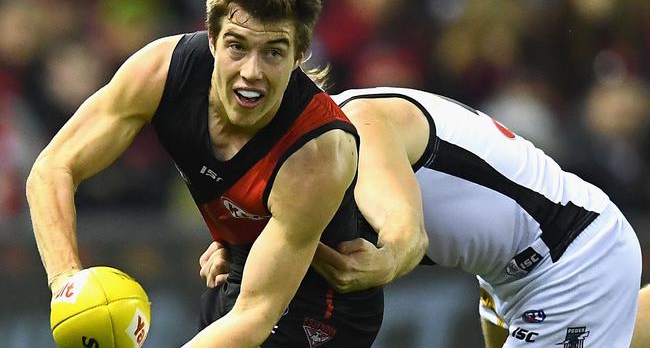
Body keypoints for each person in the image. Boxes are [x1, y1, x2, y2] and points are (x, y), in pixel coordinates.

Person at [26, 0, 408, 347]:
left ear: (300, 53)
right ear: (211, 39)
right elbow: (53, 168)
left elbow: (254, 317)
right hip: (239, 276)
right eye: (236, 47)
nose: (251, 72)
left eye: (273, 52)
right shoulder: (160, 72)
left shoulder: (317, 154)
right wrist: (66, 283)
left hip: (323, 315)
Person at [201, 86, 642, 346]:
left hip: (573, 261)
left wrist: (384, 262)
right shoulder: (311, 151)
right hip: (515, 270)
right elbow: (293, 220)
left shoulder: (357, 131)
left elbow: (406, 235)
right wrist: (241, 244)